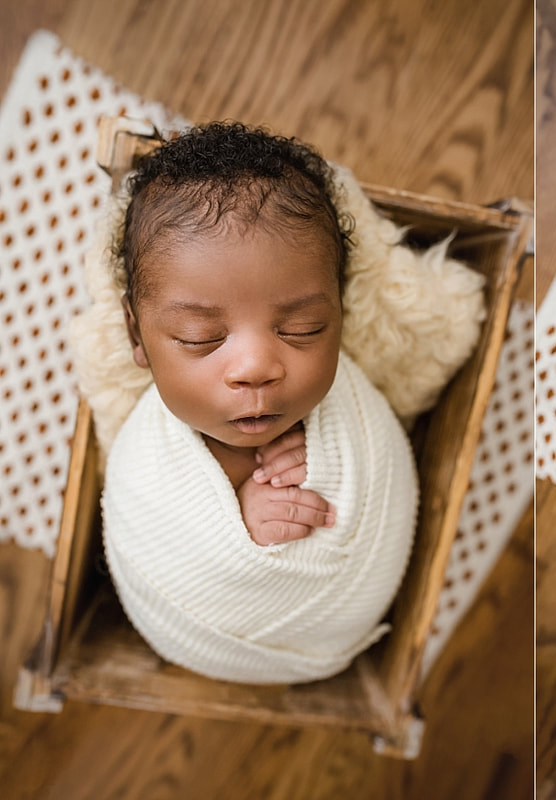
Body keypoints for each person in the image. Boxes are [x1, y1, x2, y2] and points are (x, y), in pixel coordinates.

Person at [99, 123, 419, 683]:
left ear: (340, 314)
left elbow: (383, 479)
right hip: (202, 631)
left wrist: (330, 470)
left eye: (302, 328)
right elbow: (151, 539)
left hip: (339, 623)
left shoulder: (352, 419)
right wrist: (242, 522)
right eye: (201, 338)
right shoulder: (145, 466)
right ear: (137, 334)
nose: (254, 368)